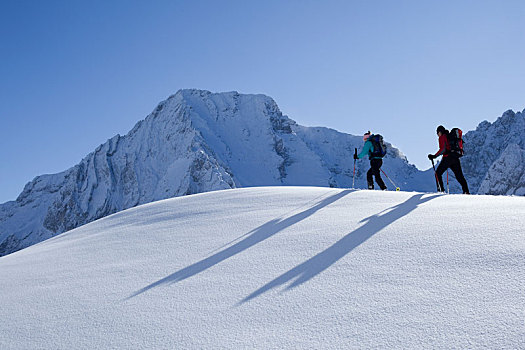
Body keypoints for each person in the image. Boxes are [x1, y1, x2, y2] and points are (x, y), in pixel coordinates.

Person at [428, 125, 470, 194]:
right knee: (459, 176)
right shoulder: (448, 136)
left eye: (437, 133)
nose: (437, 135)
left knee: (438, 173)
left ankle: (441, 191)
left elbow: (443, 149)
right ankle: (466, 191)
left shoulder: (442, 137)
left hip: (448, 158)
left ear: (440, 131)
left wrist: (434, 156)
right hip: (455, 157)